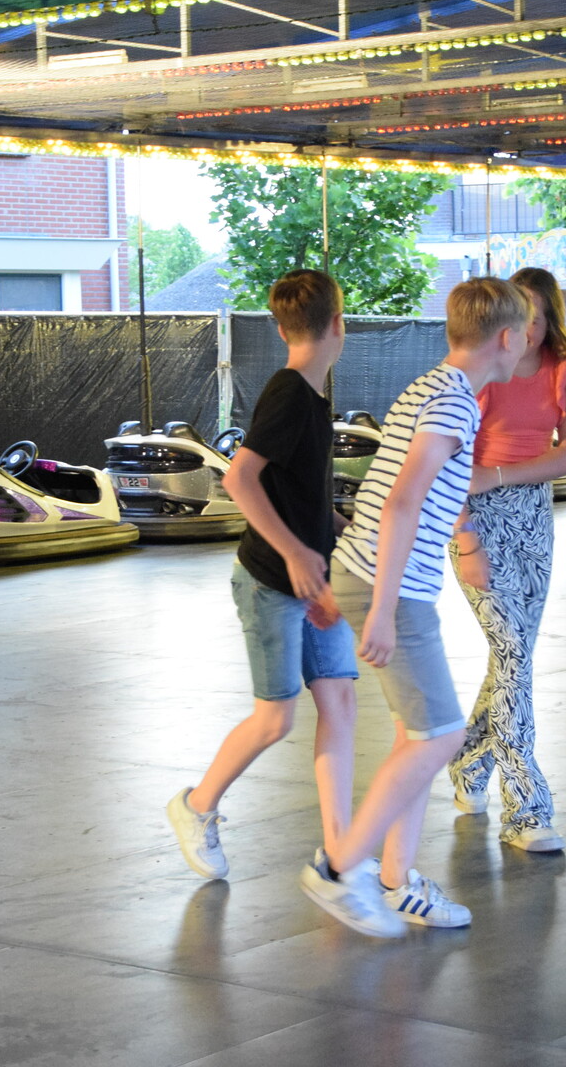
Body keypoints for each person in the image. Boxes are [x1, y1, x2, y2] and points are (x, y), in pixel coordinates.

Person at [302, 277, 530, 937]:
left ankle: (398, 881)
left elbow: (405, 495)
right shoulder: (453, 402)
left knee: (418, 734)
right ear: (507, 338)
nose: (527, 345)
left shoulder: (432, 388)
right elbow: (402, 500)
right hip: (392, 585)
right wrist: (378, 608)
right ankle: (340, 869)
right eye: (526, 334)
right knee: (442, 736)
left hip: (385, 579)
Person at [166, 271, 360, 880]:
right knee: (275, 717)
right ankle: (196, 806)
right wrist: (298, 554)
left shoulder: (311, 396)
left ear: (280, 329)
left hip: (313, 582)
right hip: (272, 583)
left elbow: (295, 492)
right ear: (339, 324)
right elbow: (240, 478)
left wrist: (341, 525)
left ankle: (341, 849)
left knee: (340, 701)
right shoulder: (289, 393)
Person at [448, 267, 566, 856]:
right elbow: (451, 463)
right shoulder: (482, 370)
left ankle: (468, 760)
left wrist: (502, 474)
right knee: (511, 652)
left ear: (549, 317)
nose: (524, 327)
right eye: (516, 314)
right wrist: (466, 539)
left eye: (534, 315)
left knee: (514, 658)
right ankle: (526, 808)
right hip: (476, 519)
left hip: (533, 517)